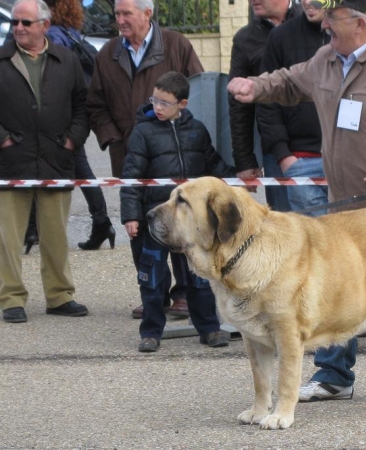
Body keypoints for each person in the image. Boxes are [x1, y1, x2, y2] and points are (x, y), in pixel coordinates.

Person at [228, 0, 366, 402]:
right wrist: (255, 87)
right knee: (332, 289)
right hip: (343, 209)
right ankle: (335, 375)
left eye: (333, 17)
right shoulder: (328, 58)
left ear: (360, 23)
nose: (324, 23)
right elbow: (291, 82)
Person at [87, 0, 204, 320]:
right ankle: (153, 294)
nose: (120, 20)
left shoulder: (177, 44)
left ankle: (184, 294)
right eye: (117, 14)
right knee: (140, 230)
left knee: (180, 228)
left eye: (127, 14)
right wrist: (114, 137)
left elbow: (198, 91)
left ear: (147, 13)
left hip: (175, 160)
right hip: (130, 158)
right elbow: (95, 105)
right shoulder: (107, 53)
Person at [121, 71, 234, 352]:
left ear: (182, 104)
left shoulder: (196, 130)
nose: (157, 107)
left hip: (191, 224)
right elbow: (132, 176)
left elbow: (212, 163)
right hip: (156, 221)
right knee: (153, 280)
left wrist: (236, 178)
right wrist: (131, 215)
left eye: (165, 103)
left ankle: (209, 329)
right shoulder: (142, 132)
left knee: (199, 278)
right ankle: (151, 333)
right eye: (154, 100)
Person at [0, 0, 89, 323]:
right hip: (10, 163)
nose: (19, 28)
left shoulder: (66, 59)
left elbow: (83, 103)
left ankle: (59, 295)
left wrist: (72, 139)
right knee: (8, 238)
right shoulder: (2, 58)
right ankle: (11, 297)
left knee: (55, 235)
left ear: (44, 25)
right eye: (16, 23)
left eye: (26, 23)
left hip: (55, 159)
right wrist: (3, 139)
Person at [43, 0, 116, 251]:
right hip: (76, 108)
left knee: (57, 166)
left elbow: (54, 76)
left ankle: (34, 228)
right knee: (79, 166)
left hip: (63, 110)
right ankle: (102, 223)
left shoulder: (53, 34)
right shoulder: (68, 31)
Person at [256, 0, 330, 215]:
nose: (307, 2)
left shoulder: (349, 38)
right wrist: (285, 157)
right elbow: (267, 100)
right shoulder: (281, 37)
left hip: (345, 162)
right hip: (299, 160)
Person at [228, 0, 302, 211]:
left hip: (319, 147)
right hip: (274, 152)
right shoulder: (245, 39)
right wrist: (244, 161)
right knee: (285, 227)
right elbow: (238, 107)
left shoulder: (311, 24)